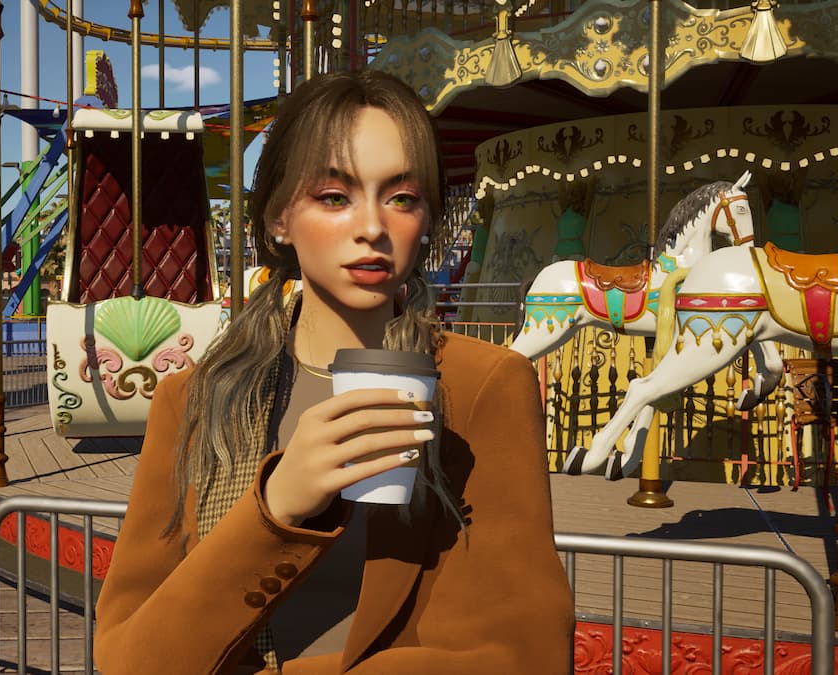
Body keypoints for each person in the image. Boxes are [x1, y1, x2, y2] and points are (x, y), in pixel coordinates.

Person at [93, 70, 574, 674]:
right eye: (334, 196)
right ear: (278, 219)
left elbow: (522, 653)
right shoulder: (195, 399)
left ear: (425, 220)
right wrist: (276, 507)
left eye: (401, 197)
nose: (372, 227)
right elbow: (129, 659)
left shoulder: (480, 387)